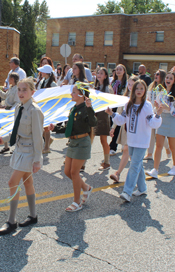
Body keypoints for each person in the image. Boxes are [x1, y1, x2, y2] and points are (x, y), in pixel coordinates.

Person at [0, 78, 43, 235]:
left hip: (29, 152)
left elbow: (38, 138)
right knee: (28, 183)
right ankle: (33, 215)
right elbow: (16, 131)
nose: (21, 93)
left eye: (24, 90)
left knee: (12, 183)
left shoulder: (35, 111)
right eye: (19, 89)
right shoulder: (18, 108)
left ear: (32, 92)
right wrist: (5, 139)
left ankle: (11, 221)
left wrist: (37, 160)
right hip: (20, 150)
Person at [105, 80, 163, 202]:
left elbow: (152, 123)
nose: (139, 91)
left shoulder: (147, 106)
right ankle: (142, 188)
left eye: (142, 88)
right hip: (131, 140)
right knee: (138, 164)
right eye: (137, 88)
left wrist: (157, 114)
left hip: (142, 141)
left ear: (145, 90)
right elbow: (122, 120)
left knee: (134, 165)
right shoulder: (128, 105)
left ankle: (127, 191)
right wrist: (112, 114)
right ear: (133, 90)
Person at [63, 82, 97, 212]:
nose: (71, 94)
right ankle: (86, 187)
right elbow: (70, 126)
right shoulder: (74, 108)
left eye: (73, 92)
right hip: (73, 142)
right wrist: (56, 128)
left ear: (81, 94)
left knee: (74, 172)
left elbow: (93, 122)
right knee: (67, 171)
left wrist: (89, 108)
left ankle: (77, 202)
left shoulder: (85, 108)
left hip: (82, 142)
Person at [146, 72, 175, 178]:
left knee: (172, 147)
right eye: (167, 77)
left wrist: (169, 108)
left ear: (174, 81)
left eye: (171, 78)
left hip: (172, 121)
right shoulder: (161, 92)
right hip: (162, 120)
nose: (168, 79)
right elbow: (157, 106)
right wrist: (157, 107)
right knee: (158, 146)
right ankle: (155, 169)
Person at [109, 75, 139, 182]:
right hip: (126, 128)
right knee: (128, 152)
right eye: (129, 84)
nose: (130, 86)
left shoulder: (141, 100)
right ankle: (119, 174)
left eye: (133, 84)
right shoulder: (125, 98)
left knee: (129, 152)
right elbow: (120, 114)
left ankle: (125, 175)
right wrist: (113, 127)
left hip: (136, 130)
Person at [145, 69, 170, 160]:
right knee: (151, 133)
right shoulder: (151, 86)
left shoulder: (164, 88)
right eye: (155, 73)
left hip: (160, 112)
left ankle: (167, 148)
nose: (156, 75)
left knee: (159, 134)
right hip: (150, 111)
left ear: (162, 76)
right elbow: (148, 98)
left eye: (158, 74)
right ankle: (150, 154)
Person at [92, 67, 112, 170]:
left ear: (105, 76)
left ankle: (107, 162)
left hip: (103, 116)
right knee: (90, 138)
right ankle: (82, 163)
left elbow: (109, 101)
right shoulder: (95, 87)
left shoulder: (107, 88)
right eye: (98, 72)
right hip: (94, 115)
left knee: (103, 140)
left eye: (101, 73)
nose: (99, 74)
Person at [0, 73, 21, 154]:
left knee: (15, 129)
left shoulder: (17, 88)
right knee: (5, 127)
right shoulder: (11, 88)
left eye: (9, 78)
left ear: (13, 79)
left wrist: (12, 109)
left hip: (13, 110)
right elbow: (4, 96)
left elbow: (17, 102)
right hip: (8, 109)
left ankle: (17, 148)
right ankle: (6, 146)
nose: (8, 80)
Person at [109, 64, 129, 156]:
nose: (118, 71)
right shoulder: (113, 82)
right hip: (113, 104)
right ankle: (121, 143)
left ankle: (113, 146)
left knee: (118, 126)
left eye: (120, 69)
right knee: (114, 125)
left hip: (122, 105)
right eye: (117, 69)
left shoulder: (127, 83)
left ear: (124, 71)